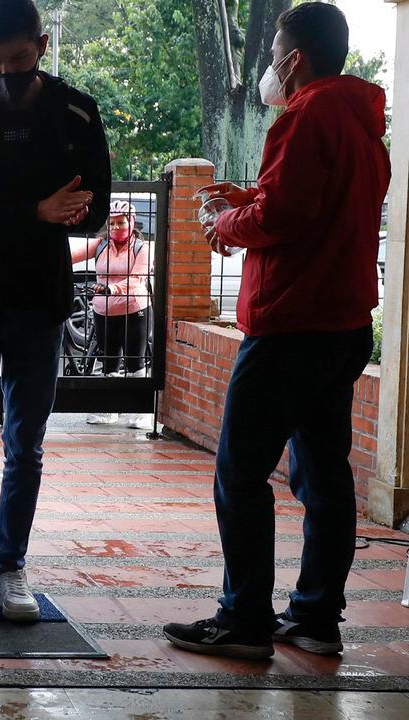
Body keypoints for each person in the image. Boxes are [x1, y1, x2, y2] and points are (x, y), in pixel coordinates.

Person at [164, 3, 390, 660]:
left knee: (238, 471)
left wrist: (225, 227)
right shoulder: (360, 123)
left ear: (294, 59)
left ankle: (244, 621)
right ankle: (316, 618)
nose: (269, 71)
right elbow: (310, 206)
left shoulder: (307, 114)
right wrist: (248, 201)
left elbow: (286, 216)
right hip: (341, 323)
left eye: (273, 56)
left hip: (289, 324)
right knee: (323, 476)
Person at [0, 0, 110, 619]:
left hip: (40, 299)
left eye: (18, 59)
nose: (5, 72)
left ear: (39, 43)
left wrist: (12, 208)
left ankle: (11, 563)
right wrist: (36, 210)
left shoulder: (76, 112)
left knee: (26, 442)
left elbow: (91, 208)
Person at [69, 200, 152, 429]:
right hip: (103, 310)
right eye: (112, 223)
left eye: (121, 222)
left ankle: (140, 411)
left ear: (131, 222)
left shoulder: (140, 248)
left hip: (134, 308)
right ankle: (109, 409)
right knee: (108, 360)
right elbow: (70, 256)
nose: (116, 227)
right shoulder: (101, 245)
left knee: (136, 361)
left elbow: (137, 278)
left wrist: (111, 288)